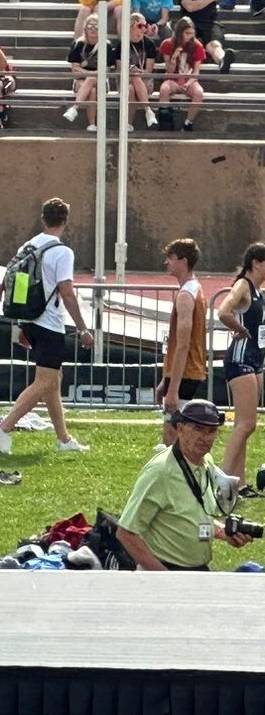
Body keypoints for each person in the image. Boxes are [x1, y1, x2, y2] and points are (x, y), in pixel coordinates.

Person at [118, 401, 251, 570]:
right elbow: (126, 533)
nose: (205, 437)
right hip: (167, 571)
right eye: (197, 429)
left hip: (198, 570)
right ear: (179, 428)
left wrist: (225, 533)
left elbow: (194, 516)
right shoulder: (160, 472)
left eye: (211, 431)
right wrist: (166, 578)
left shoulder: (205, 461)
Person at [219, 244, 265, 479]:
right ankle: (224, 478)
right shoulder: (243, 285)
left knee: (244, 425)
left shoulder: (259, 291)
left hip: (255, 360)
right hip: (241, 358)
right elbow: (223, 311)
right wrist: (239, 328)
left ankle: (239, 481)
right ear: (256, 263)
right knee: (247, 424)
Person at [158, 238, 209, 441]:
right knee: (176, 431)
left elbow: (183, 344)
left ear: (183, 261)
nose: (167, 263)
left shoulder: (187, 295)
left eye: (171, 258)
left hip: (186, 371)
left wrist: (173, 389)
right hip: (185, 371)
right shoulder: (194, 289)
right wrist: (166, 379)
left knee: (173, 434)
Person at [157, 17, 208, 131]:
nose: (190, 36)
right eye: (187, 33)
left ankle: (188, 123)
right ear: (180, 33)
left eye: (192, 33)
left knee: (199, 93)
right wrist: (174, 57)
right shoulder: (167, 44)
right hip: (173, 78)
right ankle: (166, 123)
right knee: (164, 89)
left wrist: (188, 83)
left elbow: (196, 71)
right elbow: (169, 71)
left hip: (189, 80)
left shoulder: (197, 46)